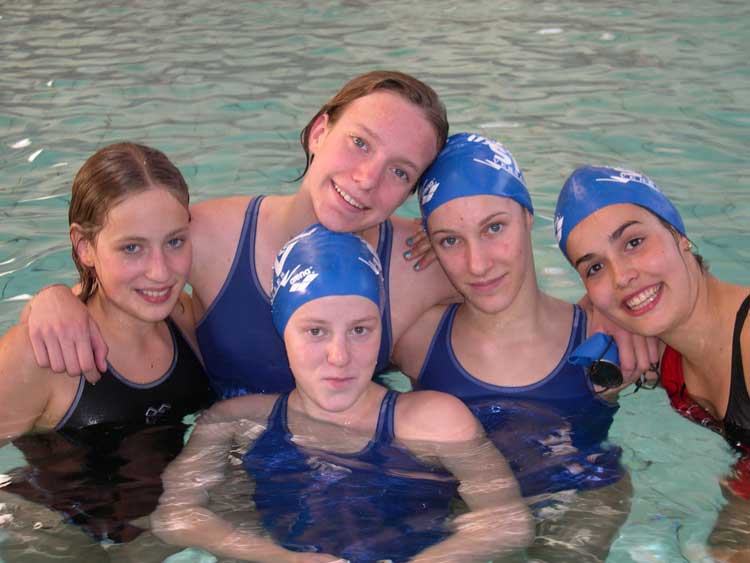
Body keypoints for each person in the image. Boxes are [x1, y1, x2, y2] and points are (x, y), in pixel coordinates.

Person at [23, 70, 459, 399]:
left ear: (411, 190)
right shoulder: (212, 236)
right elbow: (122, 274)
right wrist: (53, 297)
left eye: (400, 171)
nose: (367, 179)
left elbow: (497, 298)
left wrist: (457, 235)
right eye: (359, 143)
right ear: (319, 132)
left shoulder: (419, 262)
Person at [151, 225, 532, 563]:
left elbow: (508, 523)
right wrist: (282, 560)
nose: (340, 356)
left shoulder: (436, 421)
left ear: (381, 328)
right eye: (316, 331)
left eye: (360, 330)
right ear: (283, 332)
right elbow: (175, 516)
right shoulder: (235, 421)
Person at [392, 133, 632, 562]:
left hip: (580, 505)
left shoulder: (607, 341)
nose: (478, 264)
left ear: (528, 216)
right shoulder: (416, 340)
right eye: (450, 240)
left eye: (494, 228)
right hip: (462, 517)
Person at [0, 143, 214, 561]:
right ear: (84, 247)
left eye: (174, 241)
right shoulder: (39, 355)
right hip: (52, 534)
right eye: (132, 247)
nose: (160, 271)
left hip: (154, 531)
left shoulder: (187, 320)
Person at [555, 164, 750, 562]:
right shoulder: (662, 343)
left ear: (679, 235)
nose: (622, 277)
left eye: (633, 242)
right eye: (595, 267)